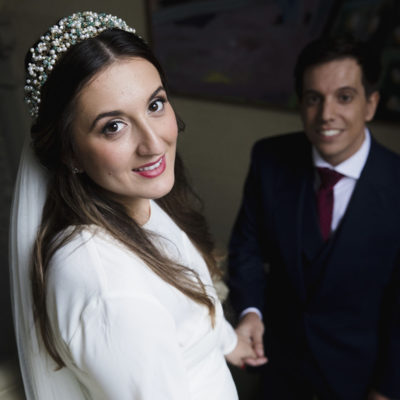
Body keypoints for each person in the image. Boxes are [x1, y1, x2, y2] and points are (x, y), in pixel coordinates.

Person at [9, 11, 264, 400]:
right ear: (69, 152)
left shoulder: (140, 206)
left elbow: (181, 303)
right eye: (113, 126)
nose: (153, 143)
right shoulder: (107, 288)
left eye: (155, 105)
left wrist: (227, 341)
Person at [228, 35, 400, 400]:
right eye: (313, 98)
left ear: (370, 104)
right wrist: (251, 312)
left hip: (360, 379)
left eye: (344, 97)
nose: (326, 115)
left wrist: (387, 389)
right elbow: (247, 247)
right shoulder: (269, 159)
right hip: (278, 370)